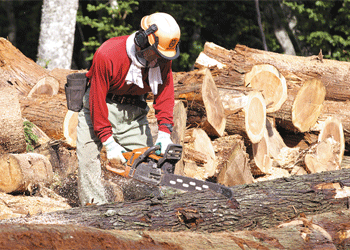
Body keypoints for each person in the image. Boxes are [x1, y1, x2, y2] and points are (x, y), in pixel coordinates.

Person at [76, 12, 181, 206]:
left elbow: (165, 94)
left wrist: (165, 132)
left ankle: (145, 209)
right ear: (142, 40)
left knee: (147, 168)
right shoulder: (108, 53)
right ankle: (94, 211)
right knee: (88, 160)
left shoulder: (163, 58)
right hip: (100, 106)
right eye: (155, 53)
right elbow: (96, 100)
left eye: (162, 55)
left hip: (134, 112)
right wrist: (108, 141)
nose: (158, 59)